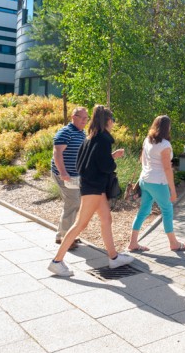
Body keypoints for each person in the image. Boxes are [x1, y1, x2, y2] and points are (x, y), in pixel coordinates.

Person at [48, 105, 134, 276]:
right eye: (113, 121)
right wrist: (113, 162)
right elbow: (105, 166)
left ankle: (114, 257)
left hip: (91, 186)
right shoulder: (103, 139)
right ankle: (57, 261)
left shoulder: (89, 138)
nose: (113, 124)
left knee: (106, 219)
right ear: (108, 121)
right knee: (81, 223)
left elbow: (82, 164)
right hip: (94, 187)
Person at [128, 115, 185, 252]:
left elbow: (142, 159)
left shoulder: (147, 140)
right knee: (167, 210)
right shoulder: (165, 145)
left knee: (143, 211)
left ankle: (133, 243)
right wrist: (173, 190)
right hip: (158, 182)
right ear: (167, 128)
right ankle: (173, 243)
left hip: (145, 179)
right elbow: (167, 168)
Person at [51, 107, 89, 250]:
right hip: (65, 175)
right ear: (74, 116)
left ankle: (66, 234)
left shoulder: (81, 133)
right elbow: (57, 153)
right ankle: (64, 238)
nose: (85, 121)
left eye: (87, 118)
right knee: (72, 203)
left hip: (75, 175)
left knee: (75, 203)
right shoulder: (65, 132)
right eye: (82, 118)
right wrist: (63, 173)